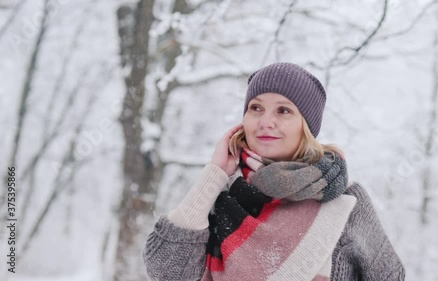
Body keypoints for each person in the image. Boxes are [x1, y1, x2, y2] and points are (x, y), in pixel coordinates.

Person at [143, 62, 405, 281]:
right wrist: (215, 173)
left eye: (284, 110)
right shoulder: (220, 201)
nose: (266, 122)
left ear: (306, 128)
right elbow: (165, 272)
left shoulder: (346, 206)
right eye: (255, 108)